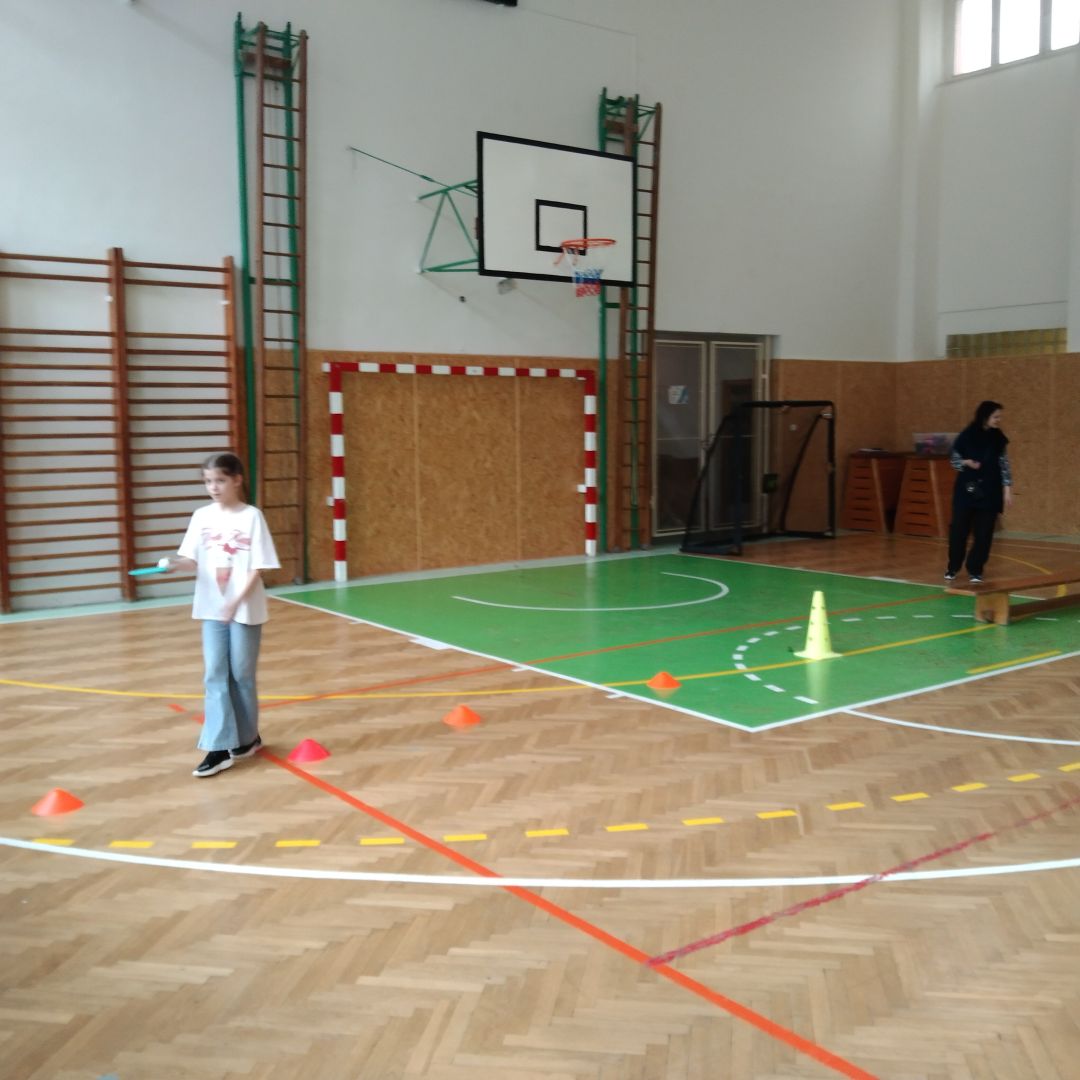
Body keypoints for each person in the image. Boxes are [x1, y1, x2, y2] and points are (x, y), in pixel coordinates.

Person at [161, 452, 280, 777]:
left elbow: (259, 566)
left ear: (236, 480)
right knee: (215, 673)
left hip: (244, 608)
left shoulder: (252, 517)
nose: (213, 487)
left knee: (241, 675)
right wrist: (174, 565)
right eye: (208, 481)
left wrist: (234, 602)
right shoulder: (201, 516)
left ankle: (247, 738)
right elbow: (192, 560)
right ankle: (218, 748)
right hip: (211, 609)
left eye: (220, 480)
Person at [945, 400, 1013, 585]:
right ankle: (953, 566)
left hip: (990, 491)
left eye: (999, 417)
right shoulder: (967, 435)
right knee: (958, 531)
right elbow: (954, 461)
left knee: (984, 534)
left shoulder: (998, 438)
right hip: (966, 490)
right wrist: (966, 462)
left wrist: (1007, 489)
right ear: (985, 416)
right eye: (995, 417)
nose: (998, 420)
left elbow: (1004, 464)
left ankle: (975, 569)